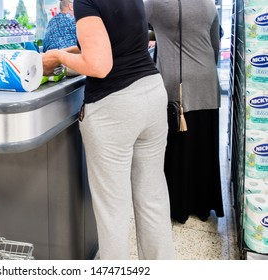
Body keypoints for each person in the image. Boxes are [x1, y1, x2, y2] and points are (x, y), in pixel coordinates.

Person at [42, 0, 175, 260]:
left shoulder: (85, 1)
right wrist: (65, 51)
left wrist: (57, 56)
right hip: (151, 92)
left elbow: (99, 65)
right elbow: (112, 42)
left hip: (116, 107)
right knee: (152, 198)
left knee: (112, 209)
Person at [144, 0, 224, 223]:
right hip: (206, 80)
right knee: (204, 145)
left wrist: (160, 35)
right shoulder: (209, 5)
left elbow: (133, 30)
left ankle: (178, 205)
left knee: (178, 148)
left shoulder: (155, 4)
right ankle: (202, 205)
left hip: (175, 84)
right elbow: (215, 45)